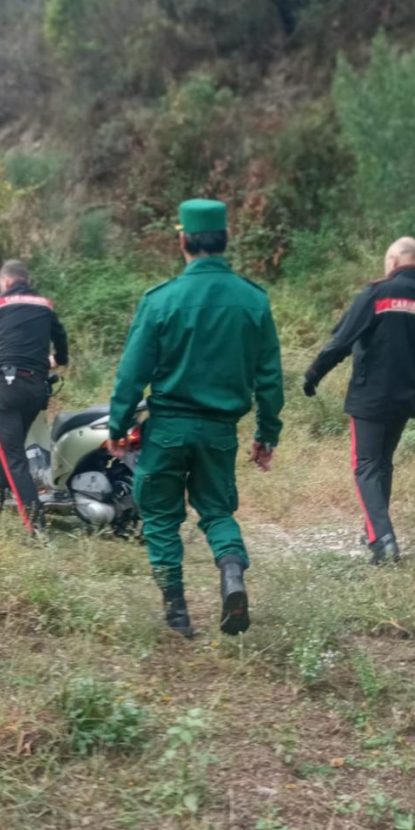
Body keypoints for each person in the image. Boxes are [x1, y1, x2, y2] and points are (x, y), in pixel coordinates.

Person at [107, 199, 284, 638]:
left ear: (183, 240)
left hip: (167, 429)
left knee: (162, 515)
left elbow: (132, 373)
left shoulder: (161, 300)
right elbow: (270, 379)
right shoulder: (252, 300)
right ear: (225, 240)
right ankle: (231, 575)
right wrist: (266, 434)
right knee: (217, 511)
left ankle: (178, 615)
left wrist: (117, 425)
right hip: (219, 433)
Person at [303, 236, 415, 564]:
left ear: (393, 261)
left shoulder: (377, 294)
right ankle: (374, 529)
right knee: (382, 462)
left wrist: (313, 375)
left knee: (364, 465)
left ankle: (382, 539)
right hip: (406, 400)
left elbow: (341, 341)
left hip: (370, 398)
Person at [0, 259, 69, 535]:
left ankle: (37, 526)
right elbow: (61, 337)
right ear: (25, 281)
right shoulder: (44, 305)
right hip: (36, 388)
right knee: (12, 450)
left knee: (13, 455)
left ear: (6, 282)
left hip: (5, 386)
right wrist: (58, 360)